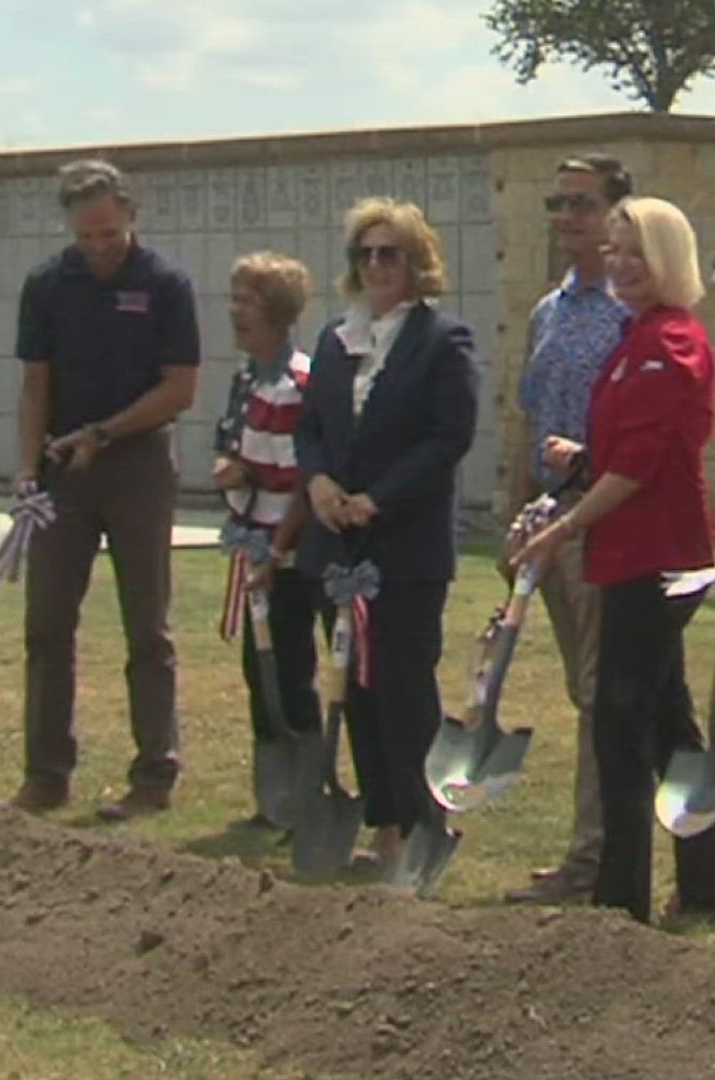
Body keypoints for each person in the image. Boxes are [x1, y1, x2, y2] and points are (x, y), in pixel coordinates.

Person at [512, 196, 715, 926]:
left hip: (655, 557)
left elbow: (643, 465)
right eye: (613, 252)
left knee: (622, 720)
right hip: (629, 550)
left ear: (669, 260)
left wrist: (565, 525)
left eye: (635, 253)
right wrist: (584, 460)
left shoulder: (670, 343)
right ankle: (705, 884)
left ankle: (619, 900)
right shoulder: (635, 337)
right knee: (669, 722)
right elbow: (630, 447)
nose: (620, 266)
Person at [8, 158, 200, 821]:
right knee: (47, 627)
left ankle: (154, 773)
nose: (98, 249)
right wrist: (28, 468)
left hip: (138, 463)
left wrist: (105, 431)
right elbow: (35, 384)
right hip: (64, 469)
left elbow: (180, 387)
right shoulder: (46, 285)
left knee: (146, 626)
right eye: (86, 237)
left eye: (109, 235)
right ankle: (46, 773)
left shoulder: (166, 285)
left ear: (131, 216)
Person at [294, 197, 478, 872]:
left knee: (401, 687)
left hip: (404, 549)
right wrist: (317, 483)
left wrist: (379, 499)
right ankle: (384, 823)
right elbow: (310, 426)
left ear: (416, 262)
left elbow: (447, 437)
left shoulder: (441, 341)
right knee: (353, 688)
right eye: (364, 254)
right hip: (336, 543)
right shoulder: (335, 339)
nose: (375, 266)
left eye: (389, 253)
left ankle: (426, 821)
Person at [503, 153, 634, 905]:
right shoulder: (549, 311)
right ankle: (601, 847)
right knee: (584, 695)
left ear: (617, 211)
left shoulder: (630, 311)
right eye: (558, 204)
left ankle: (594, 859)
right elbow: (528, 416)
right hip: (548, 525)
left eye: (582, 204)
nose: (567, 218)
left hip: (604, 522)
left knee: (601, 692)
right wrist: (522, 514)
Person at [213, 251, 320, 835]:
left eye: (247, 302)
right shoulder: (247, 377)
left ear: (277, 312)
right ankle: (272, 798)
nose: (236, 313)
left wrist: (277, 552)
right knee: (260, 668)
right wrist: (231, 469)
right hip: (254, 540)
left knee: (288, 666)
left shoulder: (294, 383)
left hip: (288, 550)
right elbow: (233, 446)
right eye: (235, 300)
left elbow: (303, 479)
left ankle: (304, 793)